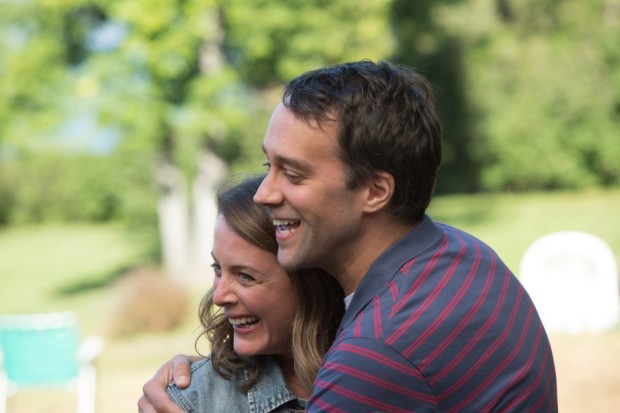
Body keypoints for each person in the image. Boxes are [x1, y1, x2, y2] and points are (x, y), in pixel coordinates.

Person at [140, 60, 558, 412]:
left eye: (294, 173)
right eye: (268, 165)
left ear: (375, 191)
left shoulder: (375, 354)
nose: (265, 193)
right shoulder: (462, 253)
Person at [144, 175, 344, 413]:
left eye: (245, 276)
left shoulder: (383, 372)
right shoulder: (193, 400)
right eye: (217, 268)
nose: (219, 297)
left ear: (310, 282)